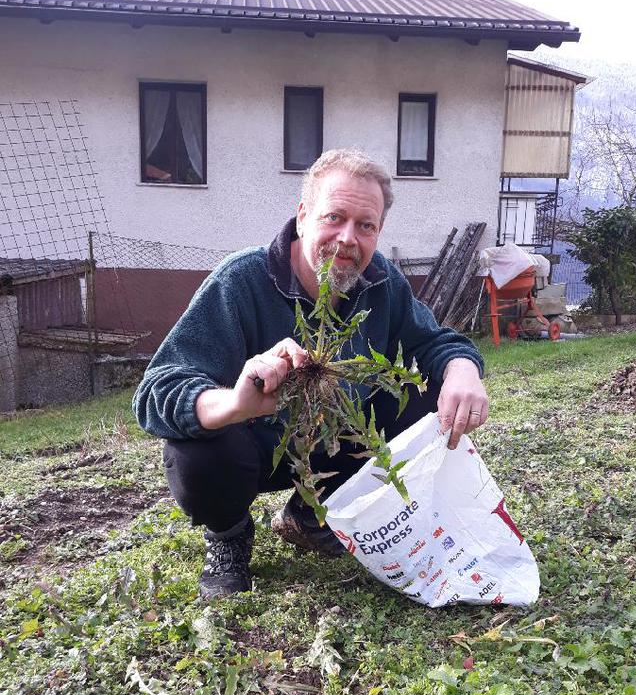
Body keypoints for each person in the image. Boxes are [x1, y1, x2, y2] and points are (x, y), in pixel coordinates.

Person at [133, 149, 488, 600]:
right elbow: (155, 391)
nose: (347, 239)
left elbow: (438, 341)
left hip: (339, 443)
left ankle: (313, 513)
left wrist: (462, 371)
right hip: (253, 451)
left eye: (366, 225)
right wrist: (232, 403)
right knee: (195, 449)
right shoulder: (241, 281)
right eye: (334, 217)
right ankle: (230, 535)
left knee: (427, 392)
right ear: (303, 217)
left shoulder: (382, 283)